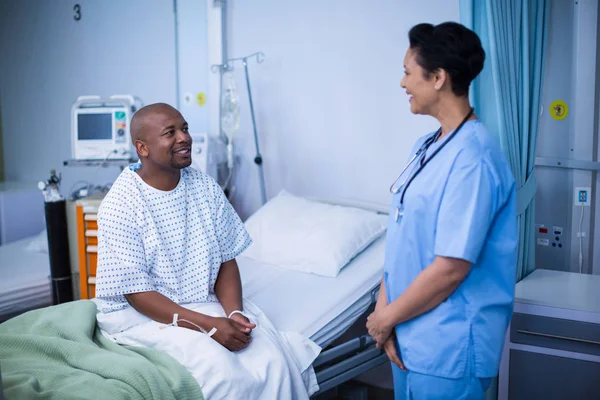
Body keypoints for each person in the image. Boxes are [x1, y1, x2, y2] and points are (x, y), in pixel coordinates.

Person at [93, 103, 320, 399]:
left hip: (201, 302)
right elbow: (137, 295)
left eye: (184, 128)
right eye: (170, 133)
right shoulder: (121, 204)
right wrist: (209, 327)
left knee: (272, 359)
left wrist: (234, 312)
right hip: (142, 317)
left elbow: (226, 259)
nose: (184, 138)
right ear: (142, 148)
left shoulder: (204, 187)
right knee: (222, 372)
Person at [365, 22, 518, 399]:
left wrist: (384, 318)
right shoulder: (428, 145)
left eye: (407, 72)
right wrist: (387, 314)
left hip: (448, 346)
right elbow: (402, 240)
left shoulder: (474, 159)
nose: (402, 84)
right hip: (408, 332)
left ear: (437, 78)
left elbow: (451, 268)